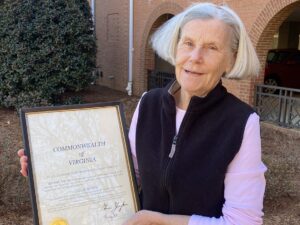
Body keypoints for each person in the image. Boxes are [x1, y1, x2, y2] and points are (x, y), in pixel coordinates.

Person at [19, 2, 267, 225]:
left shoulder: (241, 122)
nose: (195, 57)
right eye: (188, 43)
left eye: (211, 47)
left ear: (231, 60)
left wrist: (163, 222)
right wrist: (51, 169)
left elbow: (243, 221)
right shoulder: (149, 103)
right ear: (176, 47)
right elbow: (124, 174)